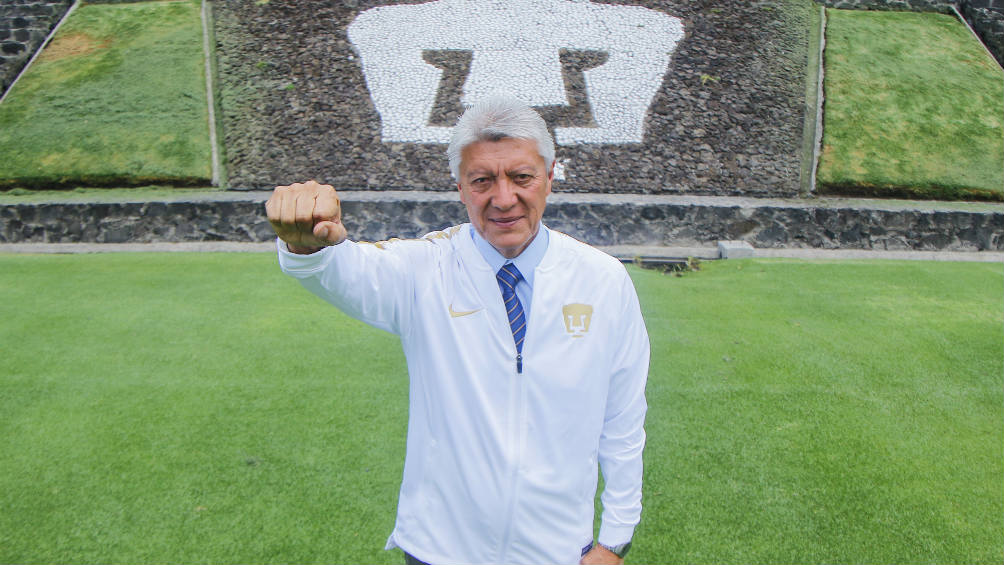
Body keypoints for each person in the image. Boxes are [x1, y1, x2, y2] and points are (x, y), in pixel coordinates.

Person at [265, 97, 650, 565]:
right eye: (482, 180)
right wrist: (308, 246)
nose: (503, 199)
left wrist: (614, 539)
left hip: (557, 551)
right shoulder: (425, 269)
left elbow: (623, 418)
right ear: (460, 188)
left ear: (550, 178)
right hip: (439, 550)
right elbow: (349, 271)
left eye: (521, 177)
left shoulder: (603, 280)